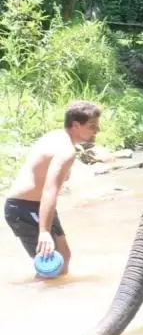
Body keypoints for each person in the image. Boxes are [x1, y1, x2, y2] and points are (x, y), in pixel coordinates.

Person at [3, 101, 102, 277]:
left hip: (34, 206)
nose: (97, 130)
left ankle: (53, 295)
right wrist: (44, 232)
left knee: (63, 257)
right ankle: (35, 298)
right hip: (24, 208)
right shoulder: (65, 151)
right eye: (92, 126)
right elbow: (50, 190)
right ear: (76, 125)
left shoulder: (56, 137)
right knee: (50, 266)